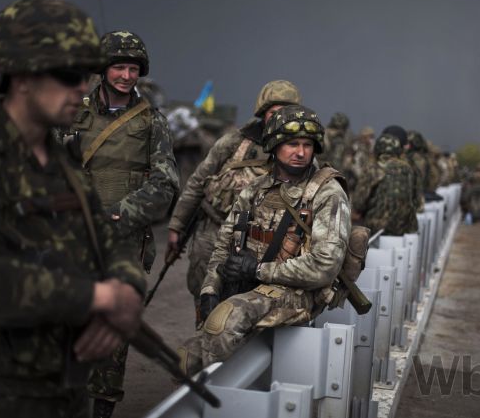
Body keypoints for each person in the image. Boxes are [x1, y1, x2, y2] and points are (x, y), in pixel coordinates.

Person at [0, 0, 146, 418]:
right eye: (69, 75)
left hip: (58, 388)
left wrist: (127, 289)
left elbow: (109, 238)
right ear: (23, 77)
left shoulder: (62, 164)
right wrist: (97, 297)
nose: (82, 87)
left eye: (85, 75)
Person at [177, 104, 351, 376]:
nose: (301, 152)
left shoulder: (327, 193)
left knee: (226, 321)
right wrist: (210, 288)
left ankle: (227, 400)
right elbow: (223, 245)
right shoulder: (255, 190)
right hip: (252, 285)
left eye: (307, 144)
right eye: (292, 143)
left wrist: (258, 270)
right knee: (187, 357)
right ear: (274, 144)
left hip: (297, 293)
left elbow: (324, 265)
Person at [68, 30, 179, 417]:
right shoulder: (72, 112)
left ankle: (101, 408)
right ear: (104, 69)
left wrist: (122, 214)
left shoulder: (152, 122)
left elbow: (166, 182)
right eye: (119, 66)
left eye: (133, 68)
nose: (126, 75)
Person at [166, 80, 301, 324]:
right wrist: (177, 225)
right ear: (262, 113)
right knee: (205, 297)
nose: (278, 118)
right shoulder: (234, 142)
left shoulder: (298, 152)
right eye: (273, 112)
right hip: (212, 232)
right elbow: (197, 182)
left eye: (285, 112)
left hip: (262, 243)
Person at [352, 133, 418, 235]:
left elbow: (358, 202)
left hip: (376, 229)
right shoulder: (408, 169)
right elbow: (414, 199)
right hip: (403, 228)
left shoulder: (373, 168)